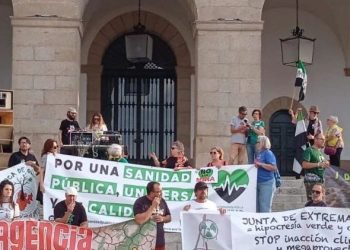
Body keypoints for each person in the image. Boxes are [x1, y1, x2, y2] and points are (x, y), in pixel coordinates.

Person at [133, 181, 171, 250]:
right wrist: (153, 206)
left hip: (159, 242)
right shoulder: (140, 202)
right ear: (151, 192)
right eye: (158, 192)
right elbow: (139, 220)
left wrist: (163, 219)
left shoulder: (162, 201)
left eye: (161, 191)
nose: (160, 193)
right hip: (144, 242)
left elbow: (169, 217)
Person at [302, 133, 329, 201]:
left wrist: (326, 164)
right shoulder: (309, 150)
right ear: (315, 140)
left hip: (320, 180)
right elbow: (304, 165)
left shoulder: (319, 152)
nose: (324, 141)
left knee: (321, 203)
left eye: (324, 139)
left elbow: (321, 164)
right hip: (312, 181)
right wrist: (318, 164)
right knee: (313, 202)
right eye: (322, 139)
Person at [255, 135, 278, 213]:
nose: (256, 143)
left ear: (263, 143)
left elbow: (273, 167)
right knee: (257, 207)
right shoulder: (259, 153)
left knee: (264, 207)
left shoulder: (268, 153)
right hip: (258, 182)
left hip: (266, 182)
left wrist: (261, 164)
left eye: (258, 142)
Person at [38, 139, 59, 203]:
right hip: (47, 181)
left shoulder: (56, 156)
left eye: (57, 146)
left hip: (54, 182)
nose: (56, 149)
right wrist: (41, 184)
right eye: (54, 147)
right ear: (49, 148)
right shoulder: (46, 156)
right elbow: (41, 170)